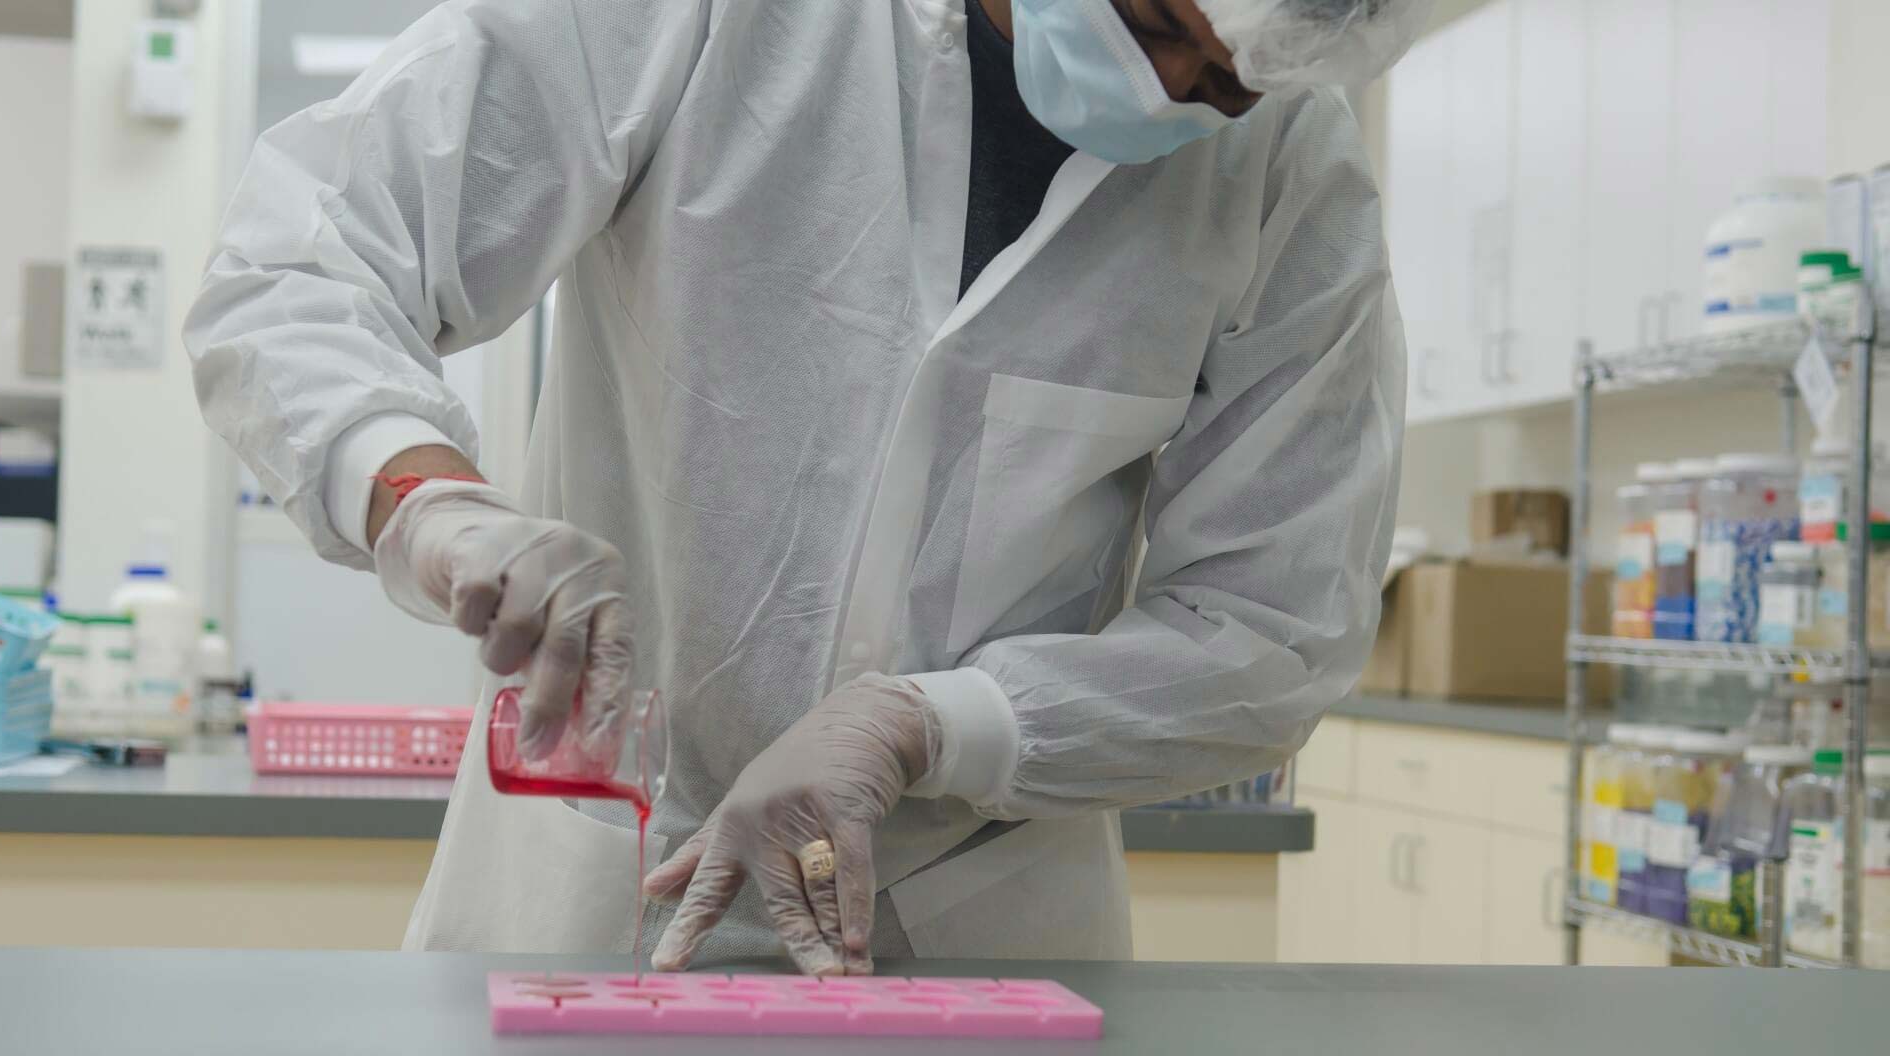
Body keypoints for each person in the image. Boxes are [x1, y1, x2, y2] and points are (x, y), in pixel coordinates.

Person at [185, 0, 1427, 975]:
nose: (1180, 94)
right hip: (598, 885)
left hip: (979, 920)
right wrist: (426, 499)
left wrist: (931, 725)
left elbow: (1271, 628)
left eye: (1231, 80)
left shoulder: (1287, 169)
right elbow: (303, 257)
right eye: (1159, 29)